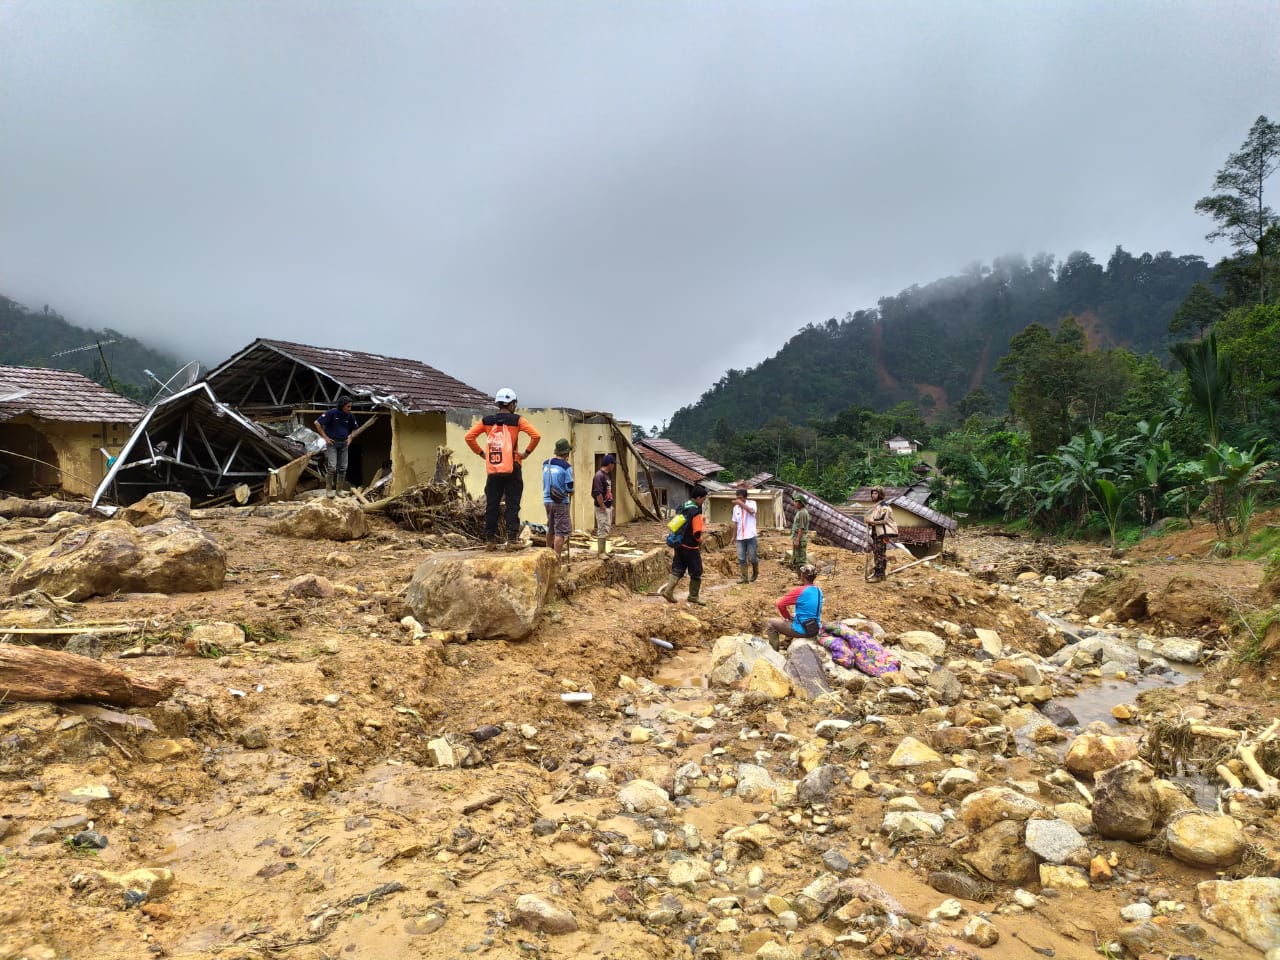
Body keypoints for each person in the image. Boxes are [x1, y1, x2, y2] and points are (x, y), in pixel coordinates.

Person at [464, 388, 541, 548]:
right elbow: (536, 436)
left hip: (494, 467)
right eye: (515, 403)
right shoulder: (517, 420)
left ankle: (490, 540)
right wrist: (525, 453)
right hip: (513, 465)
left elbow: (469, 437)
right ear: (511, 404)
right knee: (512, 503)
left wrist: (482, 454)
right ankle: (511, 540)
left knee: (492, 504)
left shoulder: (487, 420)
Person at [658, 484, 707, 606]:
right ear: (699, 498)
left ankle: (668, 591)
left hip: (679, 543)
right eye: (703, 499)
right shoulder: (696, 510)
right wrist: (701, 541)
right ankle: (693, 596)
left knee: (678, 568)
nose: (704, 501)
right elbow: (696, 532)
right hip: (691, 546)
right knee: (696, 571)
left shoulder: (683, 506)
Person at [765, 563, 824, 651]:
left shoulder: (800, 591)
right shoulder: (819, 590)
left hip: (804, 630)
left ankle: (775, 653)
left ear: (802, 576)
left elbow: (780, 604)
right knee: (794, 615)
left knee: (771, 623)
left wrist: (787, 617)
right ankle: (786, 644)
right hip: (815, 626)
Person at [314, 396, 360, 496]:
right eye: (348, 407)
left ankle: (339, 490)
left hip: (344, 444)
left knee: (343, 468)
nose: (349, 409)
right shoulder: (332, 413)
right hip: (332, 443)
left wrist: (351, 437)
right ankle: (329, 490)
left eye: (350, 407)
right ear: (342, 406)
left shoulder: (350, 415)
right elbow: (317, 423)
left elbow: (355, 428)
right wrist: (325, 437)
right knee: (332, 467)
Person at [542, 438, 574, 563]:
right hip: (560, 501)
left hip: (547, 499)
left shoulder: (546, 463)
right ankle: (556, 560)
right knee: (560, 532)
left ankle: (546, 554)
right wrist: (571, 491)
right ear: (566, 453)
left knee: (550, 528)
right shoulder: (566, 467)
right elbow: (569, 487)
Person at [864, 485, 898, 581]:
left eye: (875, 493)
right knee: (877, 553)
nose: (873, 495)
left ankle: (879, 575)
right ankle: (880, 574)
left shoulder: (884, 506)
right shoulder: (877, 506)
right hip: (876, 533)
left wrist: (870, 521)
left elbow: (882, 519)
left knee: (879, 554)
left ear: (880, 494)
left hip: (882, 534)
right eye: (872, 493)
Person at [591, 454, 617, 557]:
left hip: (607, 505)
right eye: (613, 464)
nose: (614, 466)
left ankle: (604, 550)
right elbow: (597, 493)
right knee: (602, 527)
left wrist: (611, 505)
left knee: (606, 527)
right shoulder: (599, 476)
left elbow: (608, 491)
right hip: (602, 506)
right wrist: (602, 506)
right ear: (609, 464)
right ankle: (600, 552)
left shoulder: (607, 475)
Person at [732, 487, 759, 583]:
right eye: (737, 498)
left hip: (751, 536)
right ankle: (744, 578)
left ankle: (755, 572)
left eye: (740, 498)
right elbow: (735, 523)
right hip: (740, 537)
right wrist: (733, 537)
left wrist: (741, 504)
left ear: (745, 497)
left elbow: (752, 511)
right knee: (741, 557)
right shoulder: (735, 508)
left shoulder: (752, 503)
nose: (738, 500)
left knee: (752, 557)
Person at [790, 493, 811, 576]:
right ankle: (800, 578)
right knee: (797, 558)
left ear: (800, 503)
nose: (794, 503)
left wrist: (797, 540)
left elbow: (801, 528)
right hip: (797, 538)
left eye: (795, 502)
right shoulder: (800, 512)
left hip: (800, 539)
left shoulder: (802, 513)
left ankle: (805, 578)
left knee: (801, 560)